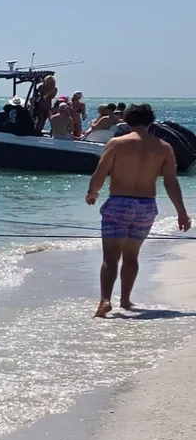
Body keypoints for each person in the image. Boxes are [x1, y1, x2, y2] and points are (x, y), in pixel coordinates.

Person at [85, 103, 190, 317]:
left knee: (110, 257)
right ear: (150, 122)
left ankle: (105, 301)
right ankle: (125, 300)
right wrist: (181, 212)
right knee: (132, 255)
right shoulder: (164, 147)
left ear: (127, 121)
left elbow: (101, 172)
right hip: (145, 206)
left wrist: (92, 192)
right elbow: (171, 183)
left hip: (118, 203)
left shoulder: (117, 143)